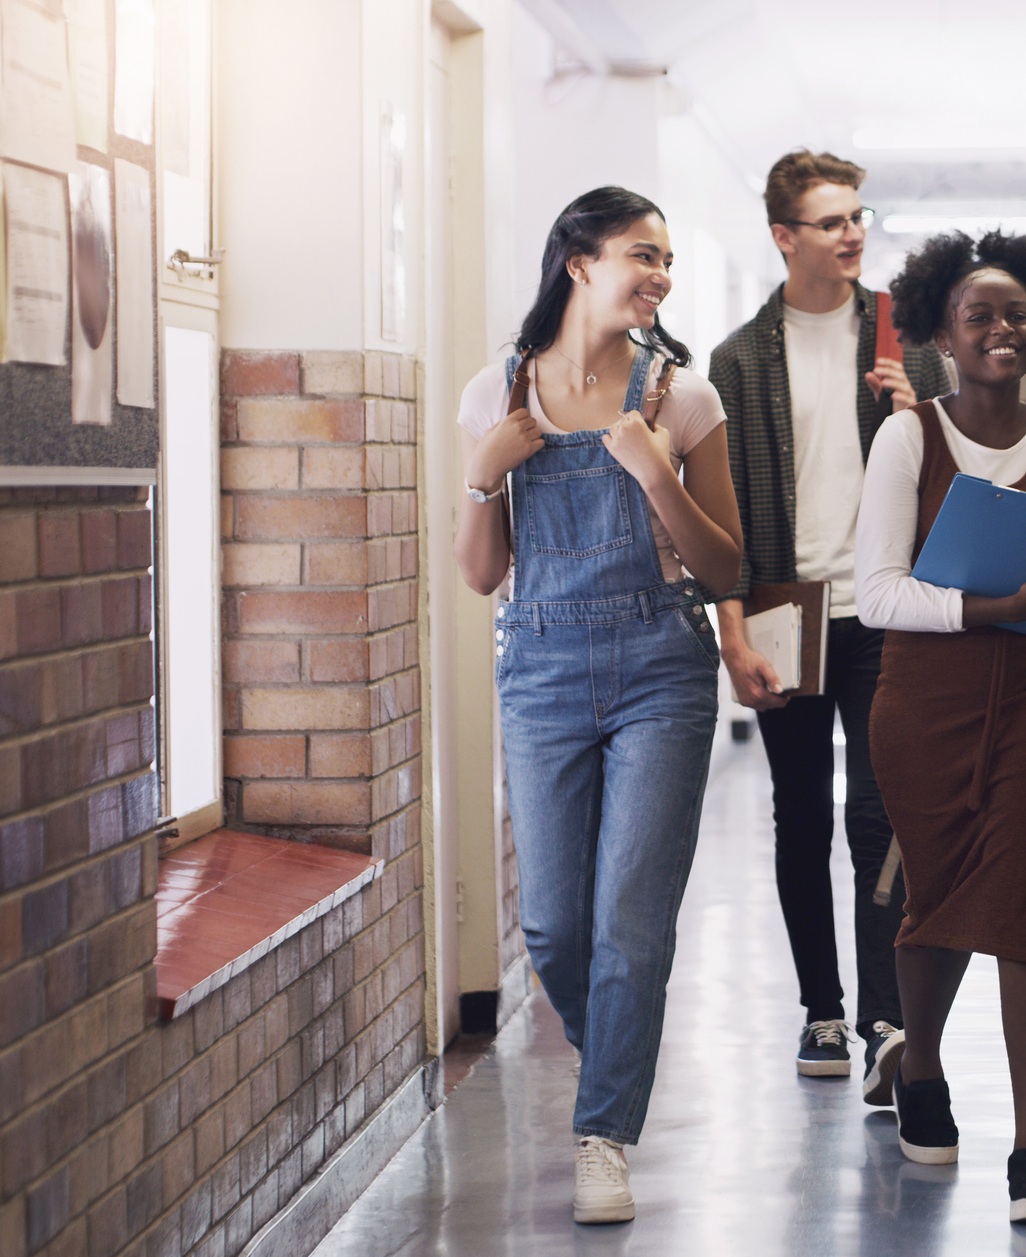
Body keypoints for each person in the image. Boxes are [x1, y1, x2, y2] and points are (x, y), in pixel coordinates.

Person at [453, 187, 742, 1226]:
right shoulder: (499, 388)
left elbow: (726, 565)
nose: (659, 274)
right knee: (554, 925)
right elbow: (481, 575)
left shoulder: (685, 398)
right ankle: (615, 1051)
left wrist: (659, 476)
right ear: (577, 261)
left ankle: (602, 1133)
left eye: (666, 258)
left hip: (663, 664)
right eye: (640, 253)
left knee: (630, 923)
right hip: (539, 667)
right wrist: (484, 481)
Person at [854, 230, 1026, 1224]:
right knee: (934, 894)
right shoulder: (906, 437)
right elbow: (875, 593)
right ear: (943, 336)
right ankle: (920, 1066)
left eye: (1017, 313)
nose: (1003, 329)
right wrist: (990, 606)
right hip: (926, 701)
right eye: (981, 316)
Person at [707, 150, 950, 1099]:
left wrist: (917, 411)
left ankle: (887, 1019)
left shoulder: (912, 339)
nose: (852, 234)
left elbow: (960, 475)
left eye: (859, 216)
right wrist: (730, 628)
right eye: (830, 220)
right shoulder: (737, 359)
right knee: (799, 814)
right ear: (783, 236)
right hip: (783, 605)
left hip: (886, 605)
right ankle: (822, 1006)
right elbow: (720, 514)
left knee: (880, 816)